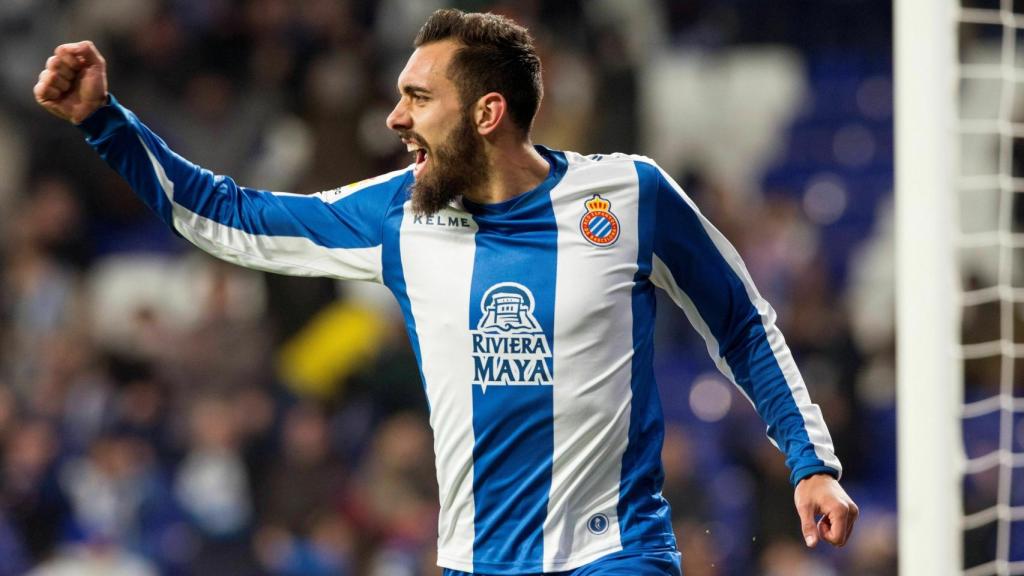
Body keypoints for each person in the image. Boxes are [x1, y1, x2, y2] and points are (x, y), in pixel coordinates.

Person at [34, 9, 858, 575]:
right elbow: (232, 216)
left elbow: (743, 326)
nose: (395, 118)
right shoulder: (398, 214)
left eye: (419, 98)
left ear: (488, 112)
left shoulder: (630, 197)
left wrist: (809, 462)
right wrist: (105, 121)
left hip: (617, 553)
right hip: (474, 561)